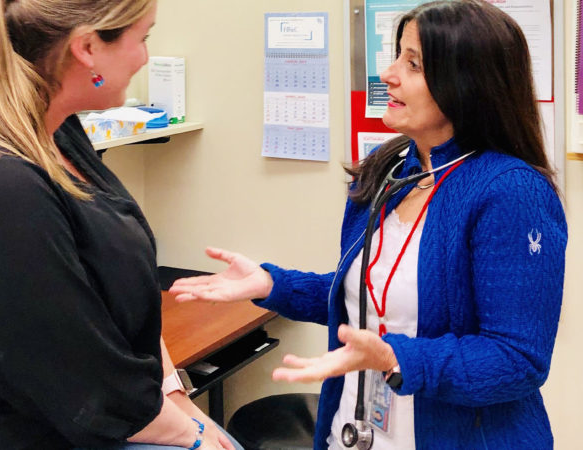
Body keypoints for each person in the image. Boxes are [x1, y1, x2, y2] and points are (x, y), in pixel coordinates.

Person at [169, 1, 568, 449]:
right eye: (397, 55)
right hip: (357, 431)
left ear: (468, 82)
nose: (389, 73)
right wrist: (270, 284)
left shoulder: (511, 191)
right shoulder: (390, 171)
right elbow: (369, 300)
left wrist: (395, 357)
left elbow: (517, 359)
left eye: (413, 63)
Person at [0, 1, 239, 449]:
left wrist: (178, 398)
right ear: (86, 48)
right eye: (142, 39)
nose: (144, 57)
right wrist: (192, 434)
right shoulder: (5, 184)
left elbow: (125, 296)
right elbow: (80, 384)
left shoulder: (60, 132)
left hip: (131, 411)